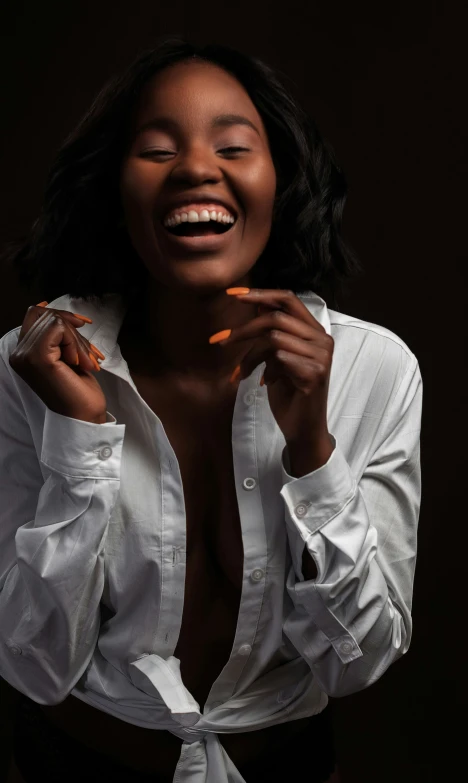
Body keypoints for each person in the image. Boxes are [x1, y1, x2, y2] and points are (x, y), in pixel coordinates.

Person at [0, 35, 423, 783]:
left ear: (279, 178)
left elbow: (358, 663)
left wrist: (313, 452)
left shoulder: (373, 371)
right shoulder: (32, 368)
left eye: (233, 145)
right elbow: (32, 666)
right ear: (114, 188)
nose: (197, 168)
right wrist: (78, 438)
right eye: (158, 150)